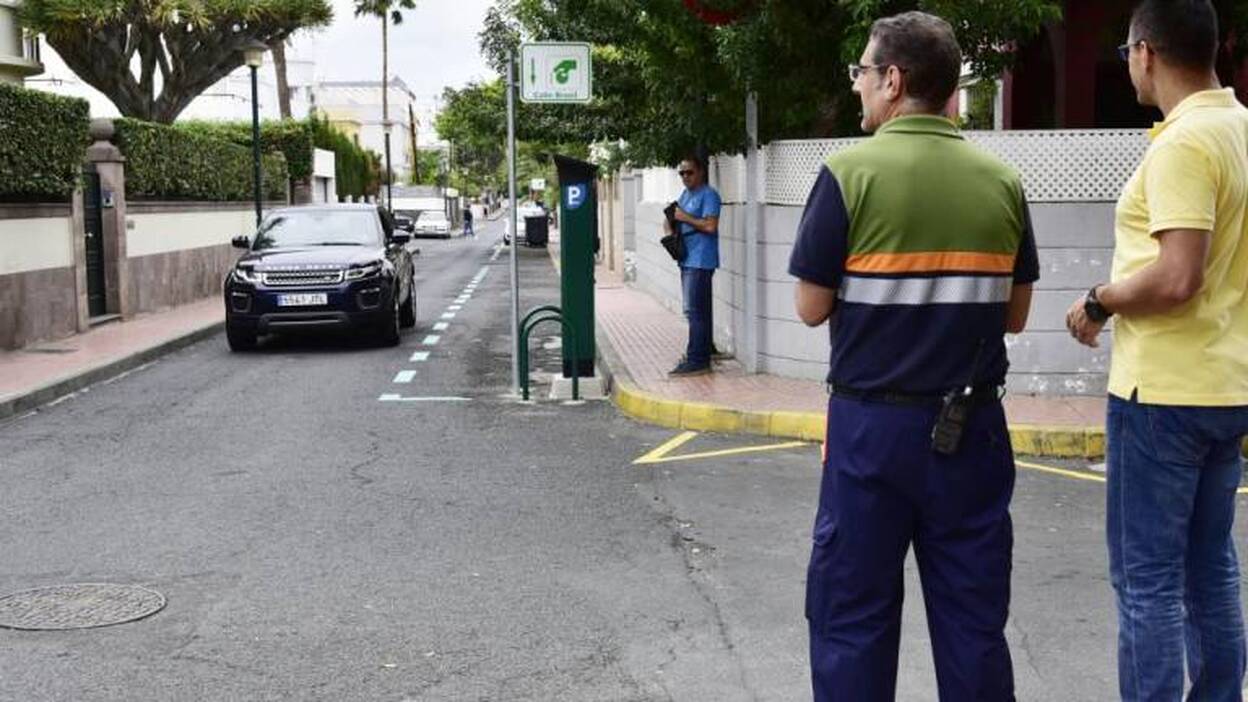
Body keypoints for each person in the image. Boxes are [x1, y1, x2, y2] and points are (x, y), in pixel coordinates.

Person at [788, 11, 1039, 700]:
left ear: (893, 81)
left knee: (852, 621)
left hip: (871, 432)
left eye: (863, 73)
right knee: (972, 625)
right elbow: (1015, 316)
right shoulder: (1001, 180)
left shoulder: (847, 173)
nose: (859, 86)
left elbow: (811, 308)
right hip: (973, 428)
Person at [1064, 1, 1248, 698]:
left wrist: (1100, 299)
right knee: (1210, 568)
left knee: (1146, 580)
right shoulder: (1239, 128)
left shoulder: (1184, 143)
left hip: (1164, 393)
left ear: (1145, 52)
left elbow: (1177, 276)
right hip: (1227, 385)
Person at [665, 154, 721, 377]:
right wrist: (671, 224)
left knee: (694, 310)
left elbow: (710, 226)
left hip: (701, 259)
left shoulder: (709, 195)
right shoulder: (686, 194)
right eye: (682, 173)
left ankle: (697, 359)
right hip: (687, 257)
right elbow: (676, 217)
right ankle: (703, 351)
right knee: (699, 310)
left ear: (700, 173)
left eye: (689, 172)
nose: (685, 177)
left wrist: (684, 217)